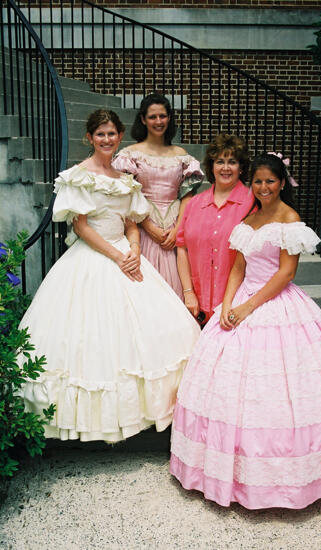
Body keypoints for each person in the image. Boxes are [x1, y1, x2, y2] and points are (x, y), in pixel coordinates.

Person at [170, 152, 321, 509]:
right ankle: (223, 470)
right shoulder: (249, 219)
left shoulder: (290, 219)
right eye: (258, 181)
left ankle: (289, 478)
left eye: (270, 181)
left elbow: (285, 274)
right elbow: (237, 268)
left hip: (274, 301)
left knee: (280, 393)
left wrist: (249, 307)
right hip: (242, 297)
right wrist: (227, 306)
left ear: (282, 183)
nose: (263, 187)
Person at [18, 109, 200, 443]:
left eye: (112, 134)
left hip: (126, 254)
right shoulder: (78, 176)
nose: (107, 139)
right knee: (91, 340)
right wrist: (117, 256)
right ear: (89, 138)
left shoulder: (125, 178)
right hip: (94, 257)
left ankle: (148, 417)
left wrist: (134, 250)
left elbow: (132, 222)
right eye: (100, 134)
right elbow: (82, 227)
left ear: (120, 137)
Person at [112, 93, 204, 299]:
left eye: (163, 116)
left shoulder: (181, 154)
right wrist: (149, 227)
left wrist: (179, 228)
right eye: (152, 117)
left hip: (175, 225)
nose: (158, 121)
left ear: (169, 118)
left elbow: (187, 194)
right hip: (143, 225)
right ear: (143, 119)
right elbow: (127, 198)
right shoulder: (130, 155)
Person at [176, 134, 255, 323]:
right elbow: (181, 248)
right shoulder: (194, 204)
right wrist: (188, 293)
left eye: (232, 162)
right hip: (196, 306)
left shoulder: (252, 205)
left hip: (236, 305)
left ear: (241, 168)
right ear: (212, 166)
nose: (225, 168)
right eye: (220, 161)